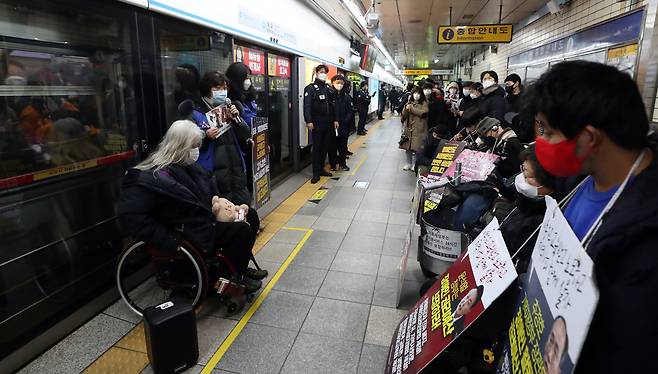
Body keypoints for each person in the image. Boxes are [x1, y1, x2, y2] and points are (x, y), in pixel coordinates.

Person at [527, 60, 658, 374]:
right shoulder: (585, 176)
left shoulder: (645, 239)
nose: (540, 141)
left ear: (588, 139)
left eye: (548, 131)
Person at [117, 120, 266, 293]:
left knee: (251, 215)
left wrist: (233, 208)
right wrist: (168, 238)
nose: (197, 151)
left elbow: (210, 196)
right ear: (181, 147)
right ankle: (230, 277)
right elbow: (129, 216)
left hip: (203, 220)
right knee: (241, 231)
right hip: (187, 231)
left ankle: (236, 268)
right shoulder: (152, 177)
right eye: (194, 146)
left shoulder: (189, 166)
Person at [178, 72, 255, 219]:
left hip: (235, 167)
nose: (222, 91)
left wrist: (236, 118)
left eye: (225, 87)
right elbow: (185, 142)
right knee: (222, 213)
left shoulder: (229, 107)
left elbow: (246, 133)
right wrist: (204, 136)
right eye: (218, 88)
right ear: (208, 89)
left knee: (241, 208)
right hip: (212, 172)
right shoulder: (195, 112)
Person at [303, 64, 338, 183]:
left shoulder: (327, 88)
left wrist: (335, 120)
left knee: (325, 147)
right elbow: (306, 106)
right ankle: (315, 173)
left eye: (325, 72)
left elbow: (333, 105)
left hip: (327, 123)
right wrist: (308, 121)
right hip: (316, 122)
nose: (323, 74)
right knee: (317, 148)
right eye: (321, 72)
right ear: (317, 73)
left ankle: (322, 168)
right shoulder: (310, 88)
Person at [399, 87, 429, 171]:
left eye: (418, 93)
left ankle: (414, 163)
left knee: (416, 148)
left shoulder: (424, 103)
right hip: (409, 129)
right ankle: (408, 163)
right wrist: (406, 108)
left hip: (419, 129)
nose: (416, 95)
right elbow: (404, 116)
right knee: (407, 147)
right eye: (415, 93)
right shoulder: (409, 103)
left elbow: (423, 113)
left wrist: (411, 108)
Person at [329, 74, 351, 171]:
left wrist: (345, 121)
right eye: (338, 83)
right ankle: (333, 164)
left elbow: (350, 110)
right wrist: (333, 120)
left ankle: (343, 163)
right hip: (332, 126)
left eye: (341, 83)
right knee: (332, 146)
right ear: (333, 83)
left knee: (343, 146)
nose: (340, 85)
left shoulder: (346, 97)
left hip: (343, 126)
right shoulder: (329, 95)